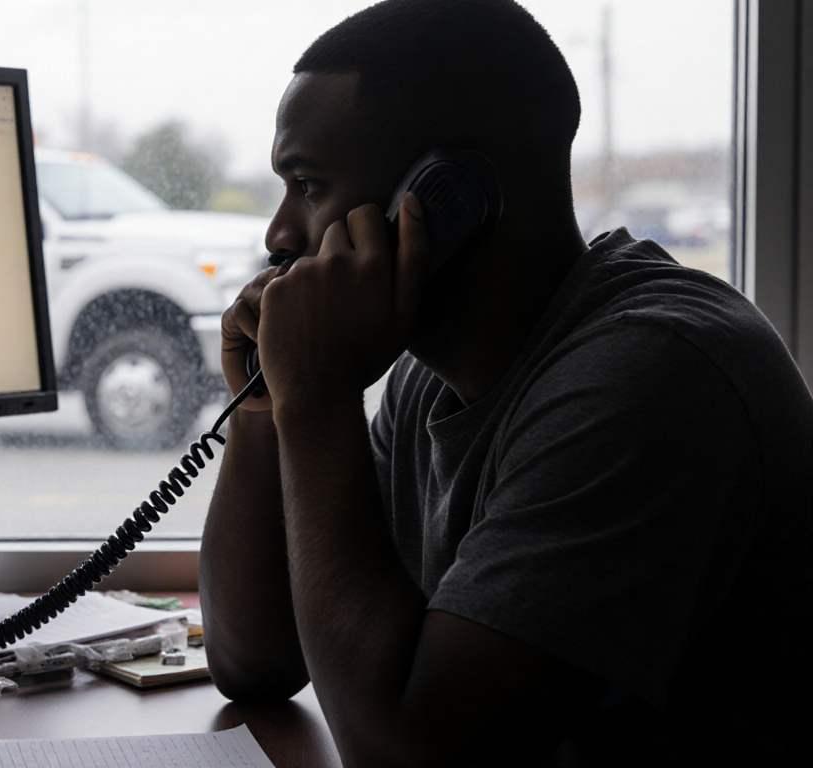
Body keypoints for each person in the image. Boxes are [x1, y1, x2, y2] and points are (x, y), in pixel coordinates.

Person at [197, 0, 813, 765]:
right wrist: (266, 406)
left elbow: (409, 755)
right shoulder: (432, 378)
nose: (279, 234)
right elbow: (255, 660)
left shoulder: (654, 375)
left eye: (308, 184)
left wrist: (317, 400)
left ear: (445, 195)